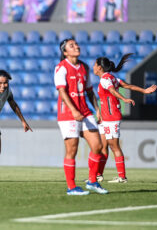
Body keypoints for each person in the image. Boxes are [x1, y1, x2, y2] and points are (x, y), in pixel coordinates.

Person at [54, 38, 108, 195]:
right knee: (72, 150)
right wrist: (74, 110)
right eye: (72, 45)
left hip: (85, 111)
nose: (76, 46)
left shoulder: (84, 67)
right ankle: (71, 187)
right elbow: (62, 92)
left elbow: (90, 91)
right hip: (68, 113)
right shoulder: (61, 68)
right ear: (65, 52)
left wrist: (97, 109)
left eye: (76, 44)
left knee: (98, 146)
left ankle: (92, 181)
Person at [93, 54, 157, 183]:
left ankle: (122, 177)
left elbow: (112, 91)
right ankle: (98, 175)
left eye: (94, 65)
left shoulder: (105, 80)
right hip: (106, 117)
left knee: (114, 146)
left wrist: (123, 99)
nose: (93, 67)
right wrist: (144, 91)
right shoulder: (113, 78)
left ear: (99, 67)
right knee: (102, 146)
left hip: (111, 117)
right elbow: (128, 86)